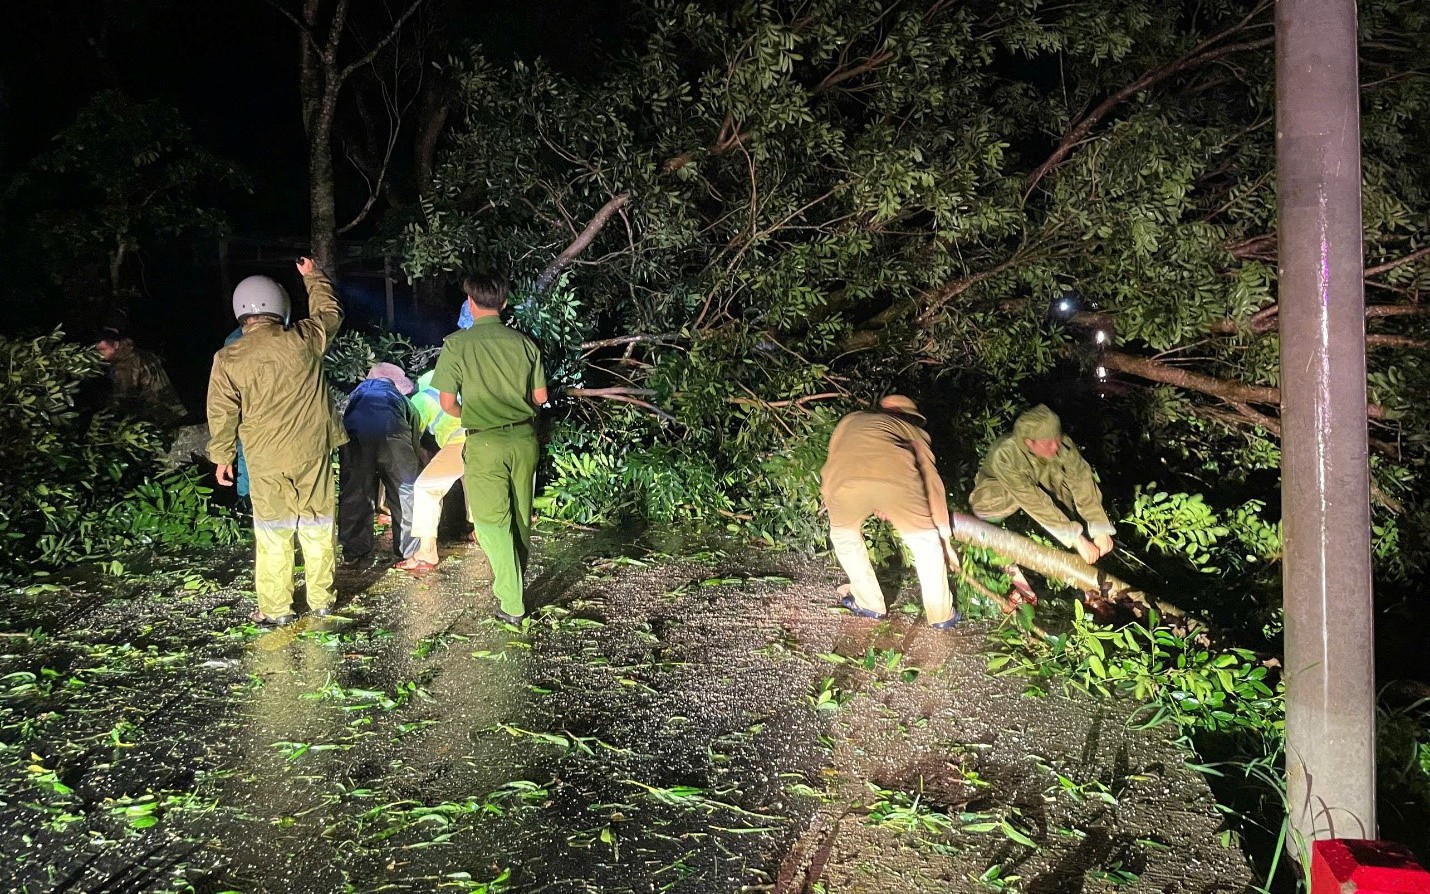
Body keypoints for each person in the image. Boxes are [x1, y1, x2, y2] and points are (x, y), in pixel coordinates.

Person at [207, 258, 347, 626]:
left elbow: (222, 413)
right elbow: (330, 312)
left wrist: (222, 457)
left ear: (241, 313)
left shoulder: (227, 358)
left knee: (273, 533)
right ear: (280, 307)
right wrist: (312, 277)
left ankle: (277, 609)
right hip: (312, 451)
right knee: (317, 526)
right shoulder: (303, 338)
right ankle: (322, 601)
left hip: (264, 459)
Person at [429, 274, 547, 624]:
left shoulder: (457, 345)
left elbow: (448, 403)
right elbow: (540, 398)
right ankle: (516, 586)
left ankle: (512, 602)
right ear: (504, 304)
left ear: (470, 303)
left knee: (490, 521)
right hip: (524, 441)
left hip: (485, 441)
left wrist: (479, 413)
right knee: (519, 517)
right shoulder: (525, 344)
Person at [820, 395, 958, 629]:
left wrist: (828, 495)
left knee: (844, 537)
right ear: (908, 416)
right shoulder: (914, 432)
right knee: (926, 545)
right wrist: (943, 536)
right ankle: (941, 615)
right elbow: (931, 482)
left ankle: (869, 604)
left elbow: (836, 458)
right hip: (898, 485)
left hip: (844, 484)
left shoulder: (851, 420)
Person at [969, 403, 1115, 606]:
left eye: (1057, 439)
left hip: (1034, 489)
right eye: (1048, 443)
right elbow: (1034, 500)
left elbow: (1081, 480)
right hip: (993, 499)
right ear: (1029, 442)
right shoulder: (1007, 455)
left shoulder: (1059, 444)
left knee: (1062, 475)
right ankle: (992, 544)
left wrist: (1099, 527)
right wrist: (1075, 538)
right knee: (1018, 502)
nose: (1055, 446)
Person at [339, 363, 422, 568]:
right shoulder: (401, 399)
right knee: (405, 491)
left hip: (355, 436)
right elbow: (414, 439)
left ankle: (353, 551)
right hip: (393, 433)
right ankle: (408, 551)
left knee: (355, 492)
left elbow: (343, 419)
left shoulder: (356, 394)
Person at [406, 369, 469, 571]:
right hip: (482, 438)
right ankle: (479, 532)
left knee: (426, 488)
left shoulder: (421, 398)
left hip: (459, 440)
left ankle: (427, 552)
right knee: (473, 483)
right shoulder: (459, 392)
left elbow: (413, 432)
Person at [95, 327, 187, 426]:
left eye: (103, 350)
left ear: (115, 344)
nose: (101, 355)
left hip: (158, 417)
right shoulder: (140, 353)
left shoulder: (125, 365)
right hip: (173, 410)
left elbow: (124, 399)